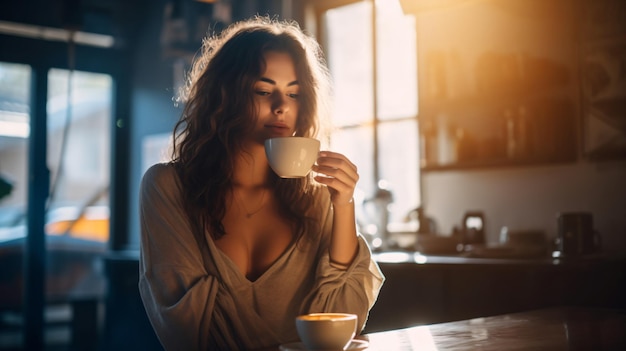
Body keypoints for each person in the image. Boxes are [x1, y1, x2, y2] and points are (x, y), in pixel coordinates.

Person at [138, 16, 384, 350]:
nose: (282, 106)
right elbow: (185, 330)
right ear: (224, 96)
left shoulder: (316, 198)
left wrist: (344, 205)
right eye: (263, 90)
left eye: (294, 94)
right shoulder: (168, 188)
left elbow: (341, 317)